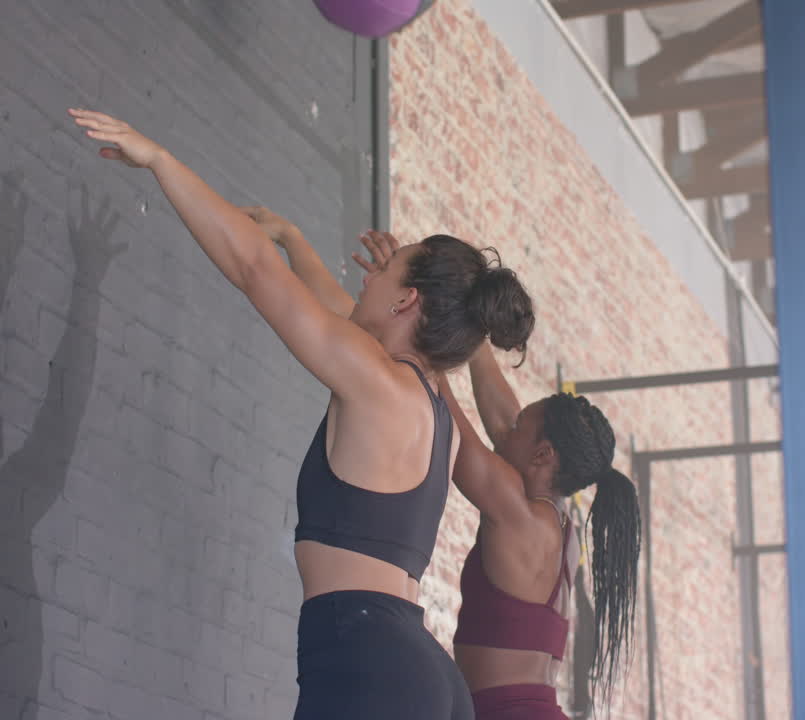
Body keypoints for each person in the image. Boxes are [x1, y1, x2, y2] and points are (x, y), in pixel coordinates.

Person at [70, 109, 535, 720]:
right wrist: (291, 237)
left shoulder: (378, 382)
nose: (365, 281)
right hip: (419, 672)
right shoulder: (432, 411)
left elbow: (254, 270)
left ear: (406, 299)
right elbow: (335, 313)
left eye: (382, 272)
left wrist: (160, 159)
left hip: (369, 661)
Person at [357, 233, 641, 719]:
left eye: (518, 427)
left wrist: (426, 322)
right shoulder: (559, 520)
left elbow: (454, 428)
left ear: (543, 455)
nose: (506, 428)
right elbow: (503, 418)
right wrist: (471, 321)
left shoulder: (519, 515)